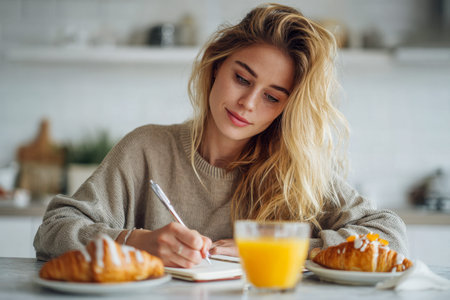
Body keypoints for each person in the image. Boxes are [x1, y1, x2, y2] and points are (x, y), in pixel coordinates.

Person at [34, 3, 408, 268]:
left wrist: (283, 248)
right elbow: (53, 231)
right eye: (242, 78)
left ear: (285, 109)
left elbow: (388, 234)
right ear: (216, 66)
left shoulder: (295, 171)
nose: (247, 103)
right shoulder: (146, 149)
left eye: (272, 97)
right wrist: (136, 242)